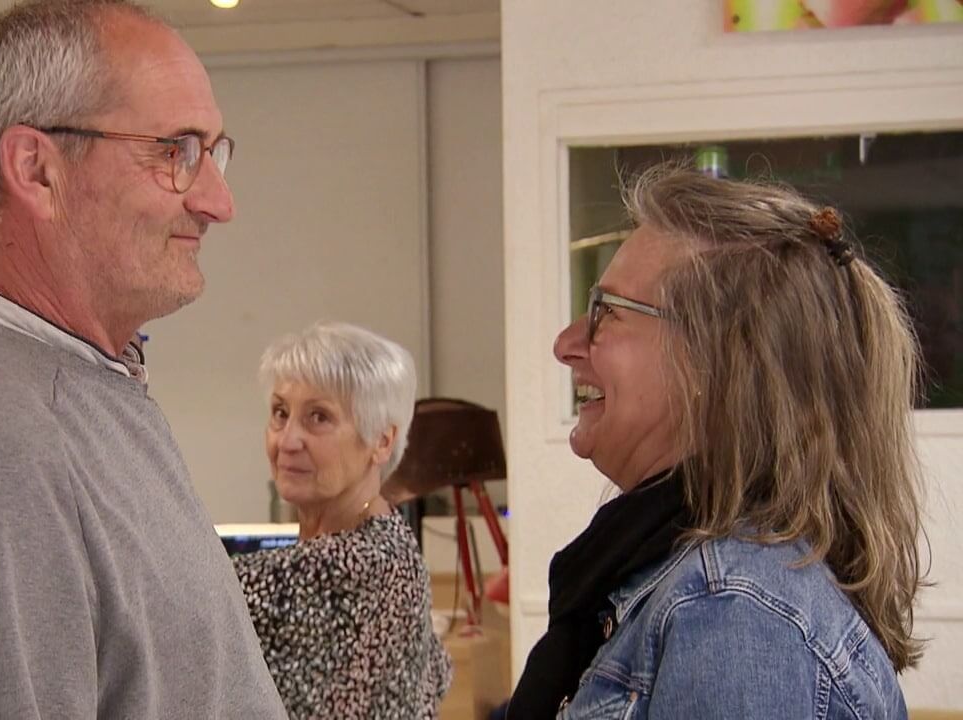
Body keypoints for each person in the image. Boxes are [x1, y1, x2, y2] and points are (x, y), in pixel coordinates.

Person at [0, 1, 287, 718]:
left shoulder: (87, 384)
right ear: (37, 170)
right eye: (175, 152)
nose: (218, 201)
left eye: (215, 152)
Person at [509, 166, 927, 718]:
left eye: (606, 311)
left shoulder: (734, 613)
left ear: (717, 363)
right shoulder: (693, 576)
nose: (566, 344)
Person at [233, 322, 452, 719]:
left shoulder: (361, 564)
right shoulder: (387, 535)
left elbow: (186, 601)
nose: (287, 440)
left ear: (381, 441)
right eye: (280, 413)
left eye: (318, 417)